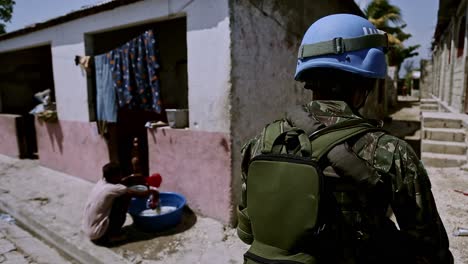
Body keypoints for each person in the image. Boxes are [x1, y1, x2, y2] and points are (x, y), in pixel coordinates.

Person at [239, 14, 453, 263]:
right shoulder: (393, 153)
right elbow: (431, 250)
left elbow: (247, 232)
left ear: (308, 77)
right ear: (368, 81)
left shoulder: (261, 142)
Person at [82, 162, 159, 245]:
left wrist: (134, 177)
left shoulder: (101, 182)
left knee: (118, 198)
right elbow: (141, 194)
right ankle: (111, 236)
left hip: (88, 229)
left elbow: (122, 181)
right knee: (124, 199)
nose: (121, 176)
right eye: (119, 174)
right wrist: (153, 191)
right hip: (97, 234)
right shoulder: (115, 188)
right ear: (114, 176)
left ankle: (109, 233)